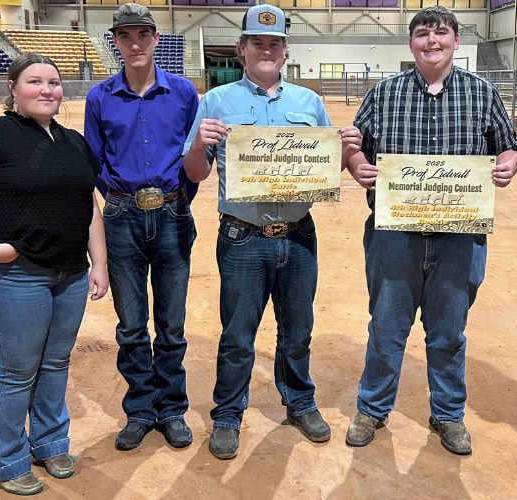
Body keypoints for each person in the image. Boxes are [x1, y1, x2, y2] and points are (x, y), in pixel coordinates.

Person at [182, 4, 362, 460]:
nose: (266, 50)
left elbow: (324, 172)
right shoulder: (215, 102)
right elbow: (195, 173)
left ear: (285, 51)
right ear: (242, 48)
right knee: (238, 334)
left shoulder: (309, 102)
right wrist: (202, 144)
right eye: (257, 43)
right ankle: (228, 412)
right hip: (243, 236)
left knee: (298, 328)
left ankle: (299, 401)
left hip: (298, 234)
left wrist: (344, 151)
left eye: (274, 43)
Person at [344, 6, 517, 455]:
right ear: (411, 43)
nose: (432, 41)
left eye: (441, 33)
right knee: (386, 327)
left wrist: (507, 166)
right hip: (394, 236)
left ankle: (448, 415)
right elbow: (355, 149)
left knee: (448, 332)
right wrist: (358, 164)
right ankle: (372, 408)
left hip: (458, 238)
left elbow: (510, 147)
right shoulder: (384, 93)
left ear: (456, 41)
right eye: (423, 34)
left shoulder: (483, 93)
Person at [0, 53, 108, 496]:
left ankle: (50, 443)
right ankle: (7, 460)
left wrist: (99, 263)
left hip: (69, 274)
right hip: (15, 277)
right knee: (17, 371)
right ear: (13, 88)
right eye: (34, 81)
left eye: (53, 82)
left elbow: (88, 207)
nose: (46, 90)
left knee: (55, 363)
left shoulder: (73, 142)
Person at [84, 3, 199, 451]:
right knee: (131, 324)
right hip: (121, 215)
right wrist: (116, 199)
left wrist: (179, 199)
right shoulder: (99, 98)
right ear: (115, 40)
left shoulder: (185, 93)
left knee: (171, 323)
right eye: (125, 35)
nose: (134, 43)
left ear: (155, 39)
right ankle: (141, 409)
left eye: (142, 35)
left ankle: (171, 409)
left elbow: (195, 156)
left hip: (172, 212)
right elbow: (93, 160)